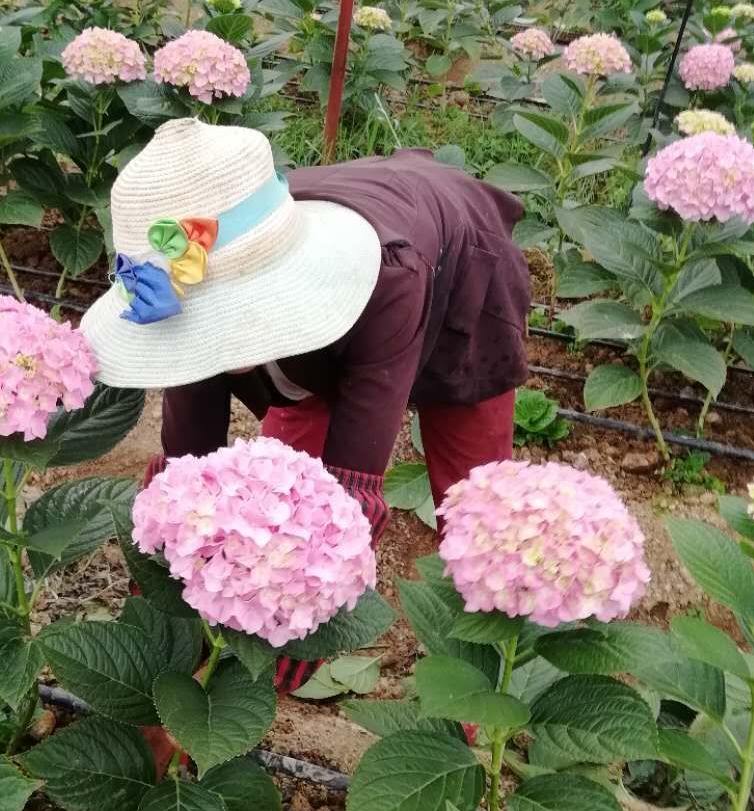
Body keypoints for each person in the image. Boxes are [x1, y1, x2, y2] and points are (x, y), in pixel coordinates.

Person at [81, 118, 531, 672]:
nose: (214, 342)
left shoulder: (388, 277)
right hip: (343, 287)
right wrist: (162, 617)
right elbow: (186, 469)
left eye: (226, 321)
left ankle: (483, 681)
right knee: (279, 481)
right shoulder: (187, 284)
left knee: (477, 504)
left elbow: (349, 492)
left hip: (459, 271)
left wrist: (310, 615)